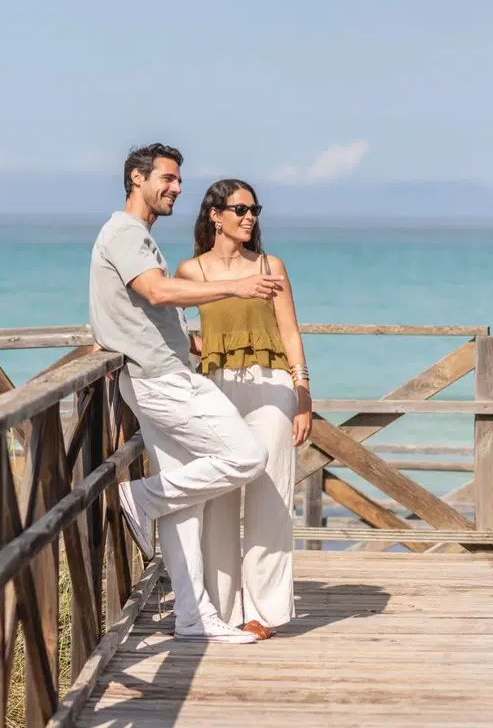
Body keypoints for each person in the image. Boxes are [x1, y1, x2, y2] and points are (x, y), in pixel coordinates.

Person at [88, 143, 285, 644]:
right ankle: (138, 496)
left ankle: (194, 619)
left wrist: (185, 338)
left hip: (156, 370)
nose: (177, 188)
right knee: (247, 456)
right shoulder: (126, 232)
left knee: (186, 506)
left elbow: (141, 307)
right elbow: (157, 291)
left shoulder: (133, 236)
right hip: (161, 379)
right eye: (168, 179)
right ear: (137, 178)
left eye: (179, 180)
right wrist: (236, 288)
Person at [176, 179, 313, 641]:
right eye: (239, 208)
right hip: (217, 388)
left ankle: (265, 611)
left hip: (272, 387)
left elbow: (290, 333)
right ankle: (217, 608)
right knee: (218, 498)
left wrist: (304, 393)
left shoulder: (271, 266)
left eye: (255, 208)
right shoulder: (191, 270)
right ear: (215, 215)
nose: (249, 216)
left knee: (270, 498)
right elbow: (170, 326)